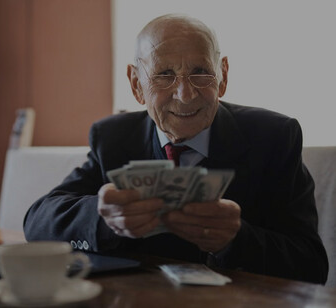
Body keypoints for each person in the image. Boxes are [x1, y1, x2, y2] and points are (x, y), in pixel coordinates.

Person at [24, 14, 328, 284]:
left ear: (222, 76)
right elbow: (37, 222)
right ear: (136, 85)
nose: (185, 94)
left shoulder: (274, 137)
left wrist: (236, 240)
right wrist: (104, 219)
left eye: (200, 72)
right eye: (164, 75)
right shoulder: (114, 137)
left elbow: (311, 266)